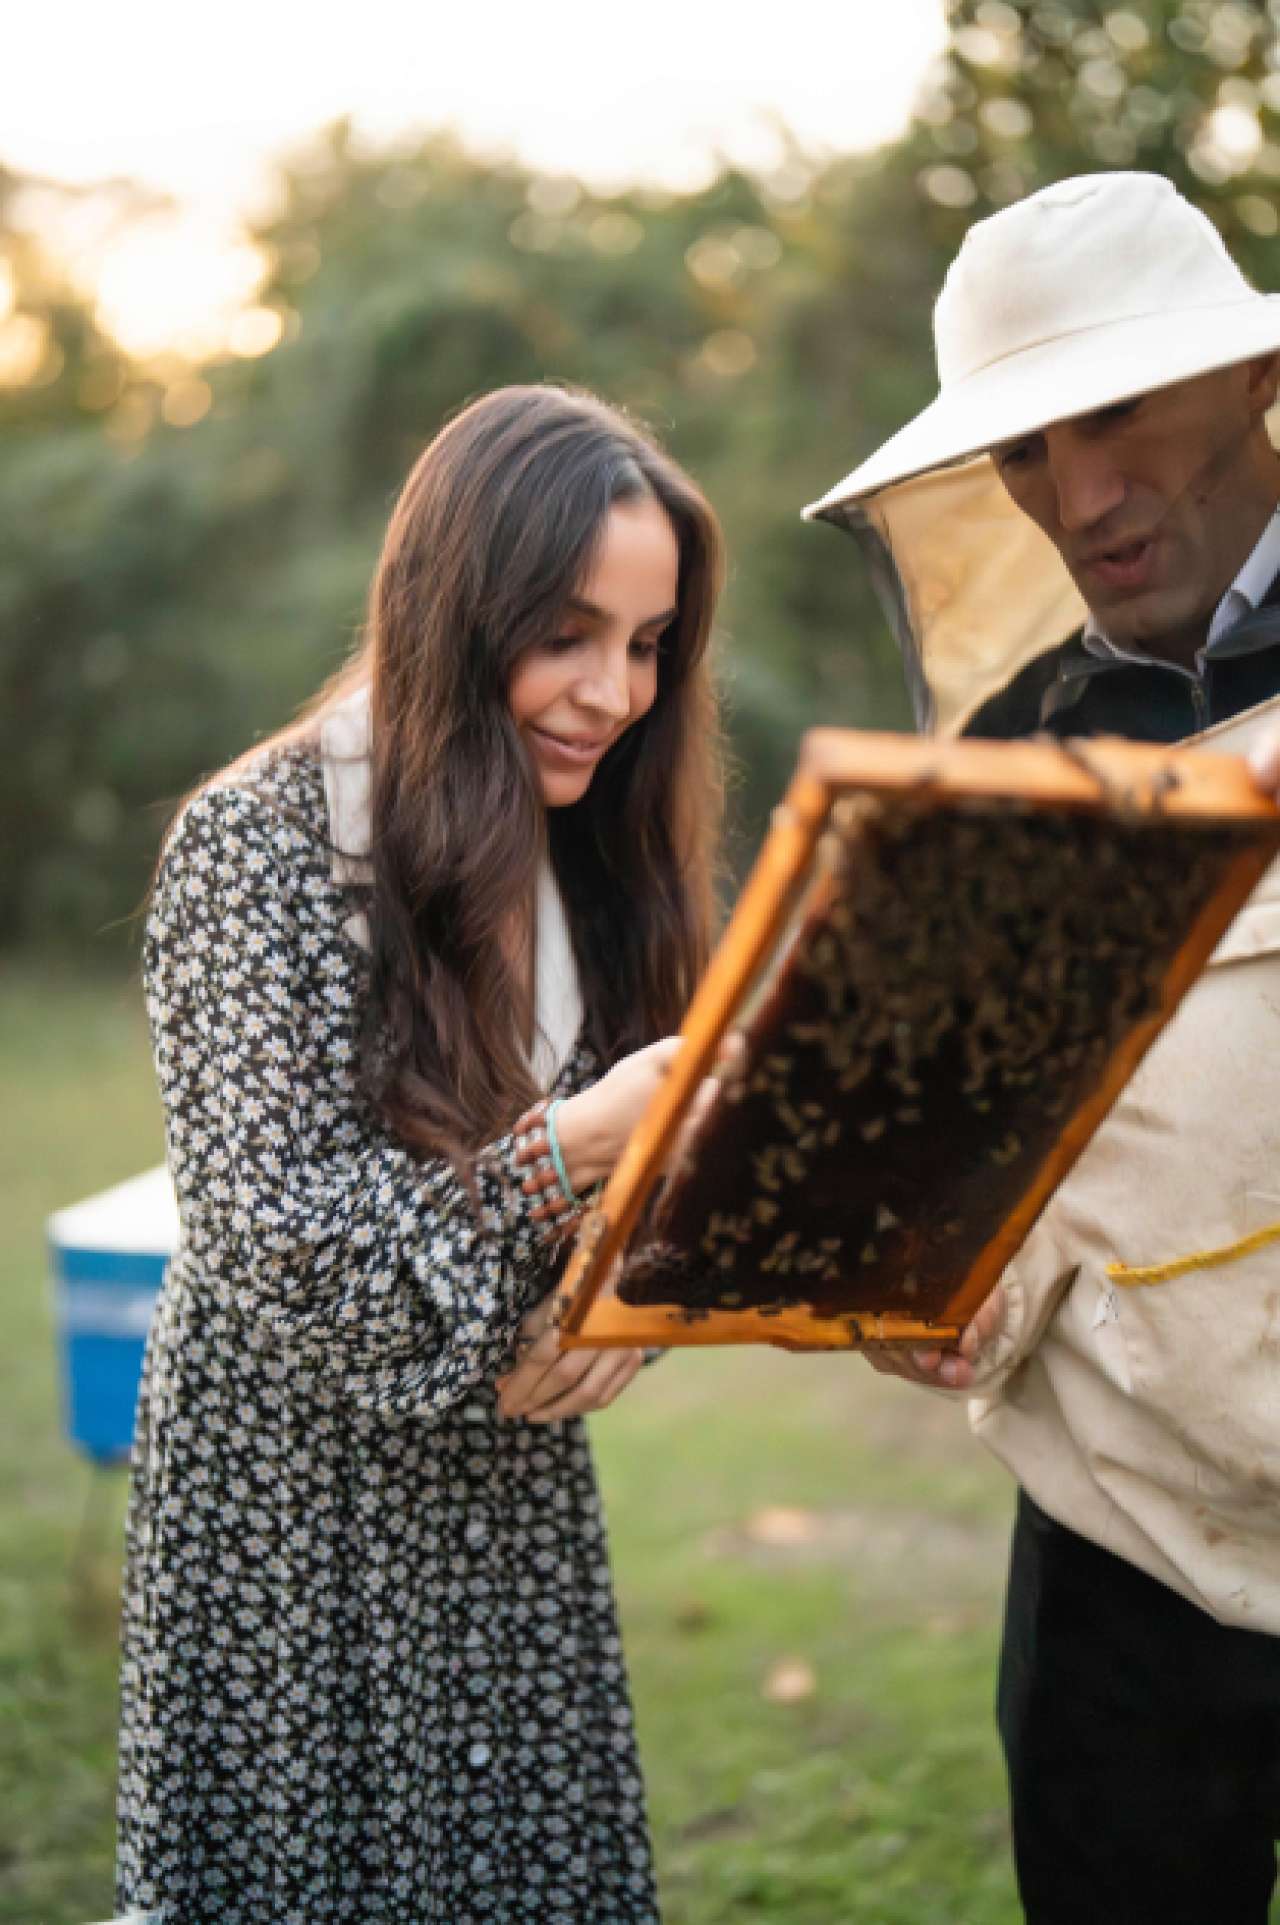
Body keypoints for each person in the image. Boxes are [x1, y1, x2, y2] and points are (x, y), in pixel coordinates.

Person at [116, 384, 727, 1925]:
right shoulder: (258, 839)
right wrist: (565, 1152)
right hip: (290, 1508)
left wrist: (626, 1300)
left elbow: (665, 1190)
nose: (615, 692)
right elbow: (279, 1248)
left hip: (506, 1494)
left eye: (649, 642)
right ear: (458, 607)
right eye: (569, 634)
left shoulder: (594, 844)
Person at [805, 172, 1280, 1923]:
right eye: (1025, 450)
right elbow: (944, 1163)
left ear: (1255, 376)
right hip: (1116, 1565)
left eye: (1120, 413)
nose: (1081, 499)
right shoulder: (1005, 756)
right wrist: (922, 1289)